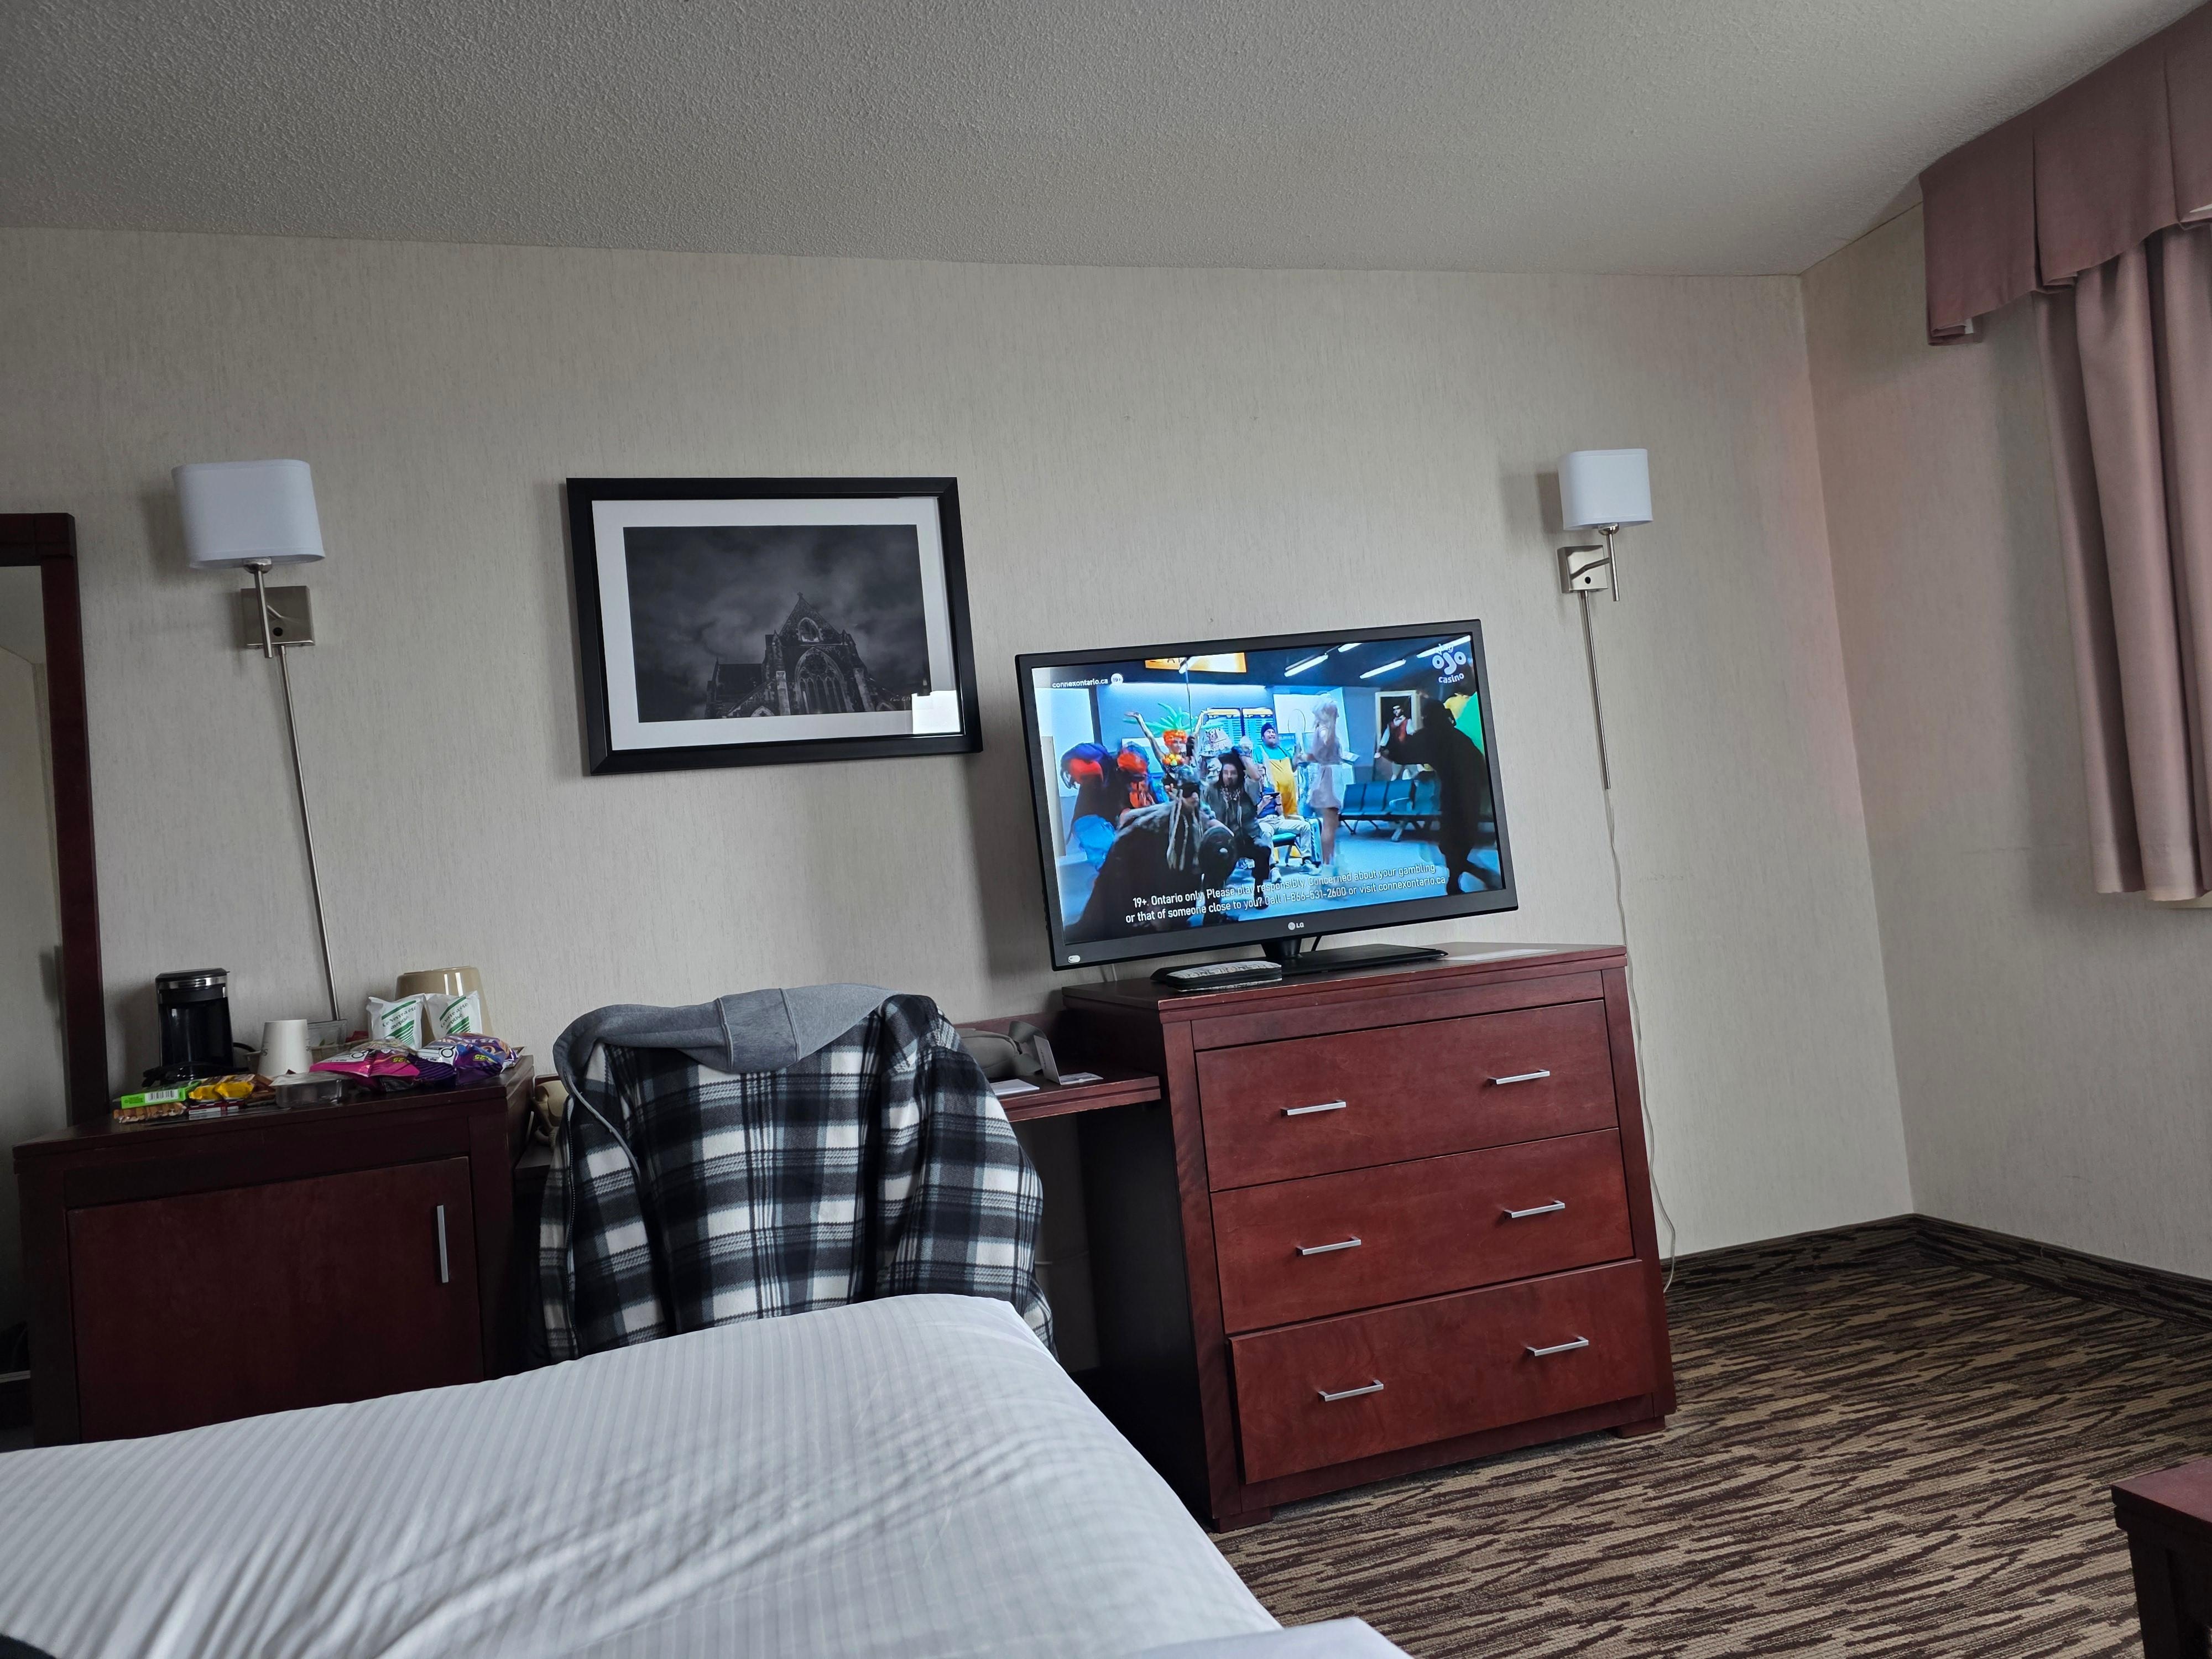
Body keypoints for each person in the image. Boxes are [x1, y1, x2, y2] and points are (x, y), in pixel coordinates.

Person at [1383, 696, 1496, 895]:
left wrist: (1393, 737)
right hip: (1471, 795)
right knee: (1462, 841)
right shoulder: (1459, 737)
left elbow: (1401, 755)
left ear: (1426, 717)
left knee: (1450, 844)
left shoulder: (1429, 737)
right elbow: (1480, 767)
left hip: (1451, 797)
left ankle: (1468, 879)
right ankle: (1466, 879)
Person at [1199, 750, 1272, 912]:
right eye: (1225, 773)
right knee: (1214, 871)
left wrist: (1243, 756)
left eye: (1233, 773)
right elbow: (1201, 798)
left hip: (1247, 837)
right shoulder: (1212, 789)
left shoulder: (1247, 788)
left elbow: (1256, 777)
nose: (1229, 776)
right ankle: (1212, 905)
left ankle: (1259, 892)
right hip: (1223, 840)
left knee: (1264, 850)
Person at [1298, 701, 1350, 874]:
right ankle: (1328, 866)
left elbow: (1318, 754)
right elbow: (1327, 745)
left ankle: (1330, 863)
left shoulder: (1322, 729)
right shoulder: (1324, 729)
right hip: (1329, 779)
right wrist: (1333, 722)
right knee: (1329, 825)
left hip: (1330, 776)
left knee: (1332, 825)